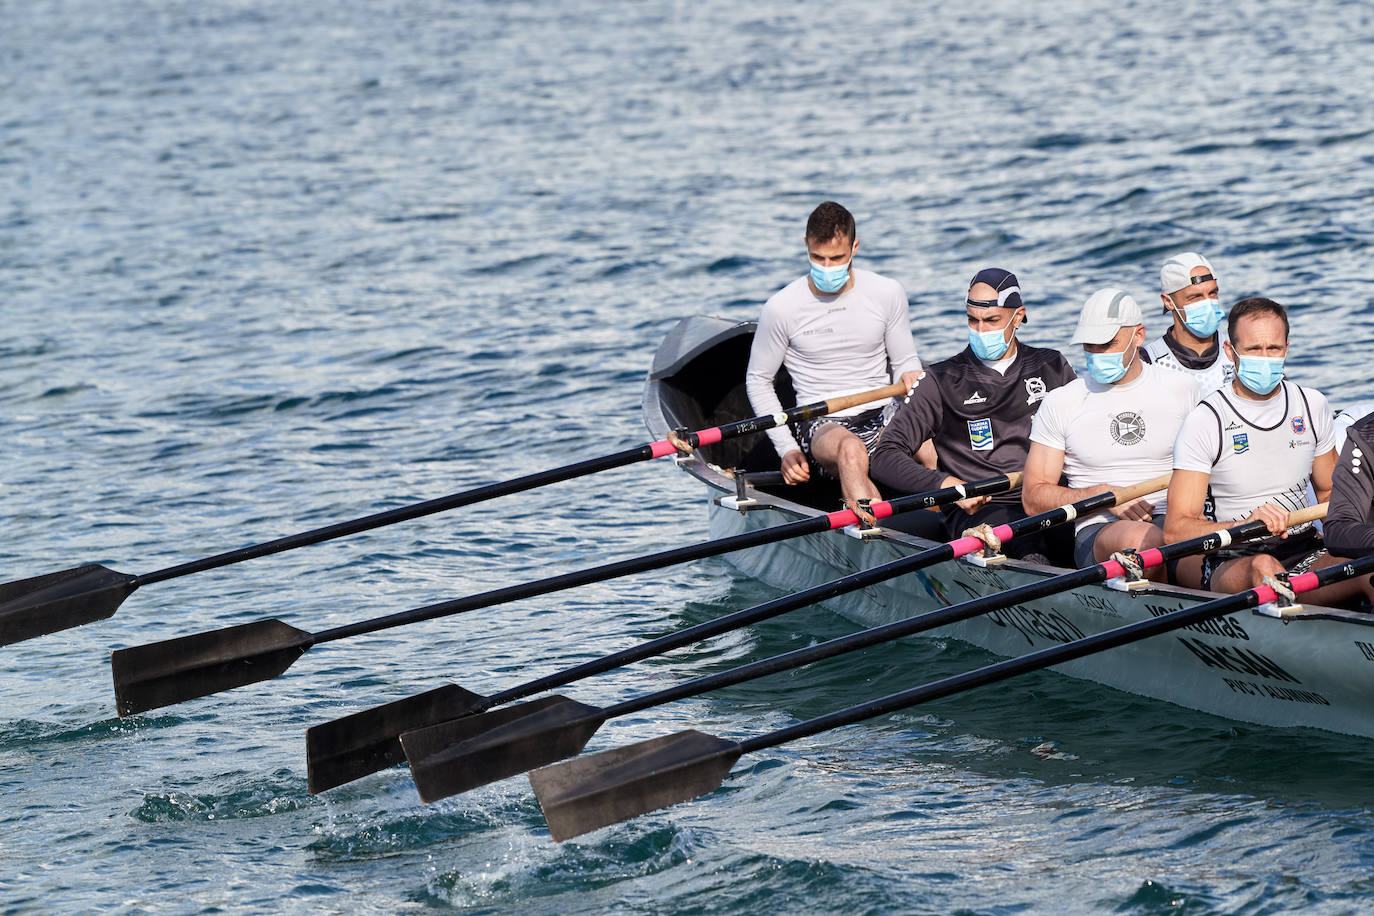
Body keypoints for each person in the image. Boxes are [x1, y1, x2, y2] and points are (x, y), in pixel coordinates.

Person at [1164, 297, 1374, 605]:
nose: (1265, 357)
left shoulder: (1312, 404)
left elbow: (1330, 495)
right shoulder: (1205, 420)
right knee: (1265, 567)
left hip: (1304, 549)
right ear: (1229, 351)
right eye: (1253, 349)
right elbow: (1174, 531)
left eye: (1273, 349)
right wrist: (1245, 526)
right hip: (1233, 557)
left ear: (1286, 348)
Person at [869, 268, 1076, 559]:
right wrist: (946, 485)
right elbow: (884, 456)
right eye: (972, 320)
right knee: (1028, 544)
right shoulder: (941, 380)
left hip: (1051, 499)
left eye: (991, 321)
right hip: (983, 509)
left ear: (1018, 317)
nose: (980, 330)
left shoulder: (1052, 366)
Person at [745, 201, 922, 508]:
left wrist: (910, 375)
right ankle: (876, 530)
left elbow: (904, 360)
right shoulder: (781, 308)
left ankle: (955, 519)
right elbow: (758, 380)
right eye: (818, 258)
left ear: (855, 247)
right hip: (822, 423)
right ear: (805, 246)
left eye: (836, 258)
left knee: (932, 446)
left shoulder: (886, 292)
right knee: (852, 450)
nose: (827, 268)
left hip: (882, 409)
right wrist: (786, 447)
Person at [1022, 289, 1202, 576]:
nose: (1097, 354)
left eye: (1107, 344)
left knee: (1219, 562)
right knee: (1148, 543)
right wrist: (1102, 496)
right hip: (1101, 530)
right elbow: (1033, 497)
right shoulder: (1061, 402)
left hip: (1177, 520)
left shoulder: (1184, 389)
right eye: (1089, 346)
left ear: (1139, 336)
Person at [1141, 252, 1233, 391]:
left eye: (1212, 293)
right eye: (1195, 297)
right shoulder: (1148, 363)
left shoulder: (1237, 351)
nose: (1207, 303)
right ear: (1168, 302)